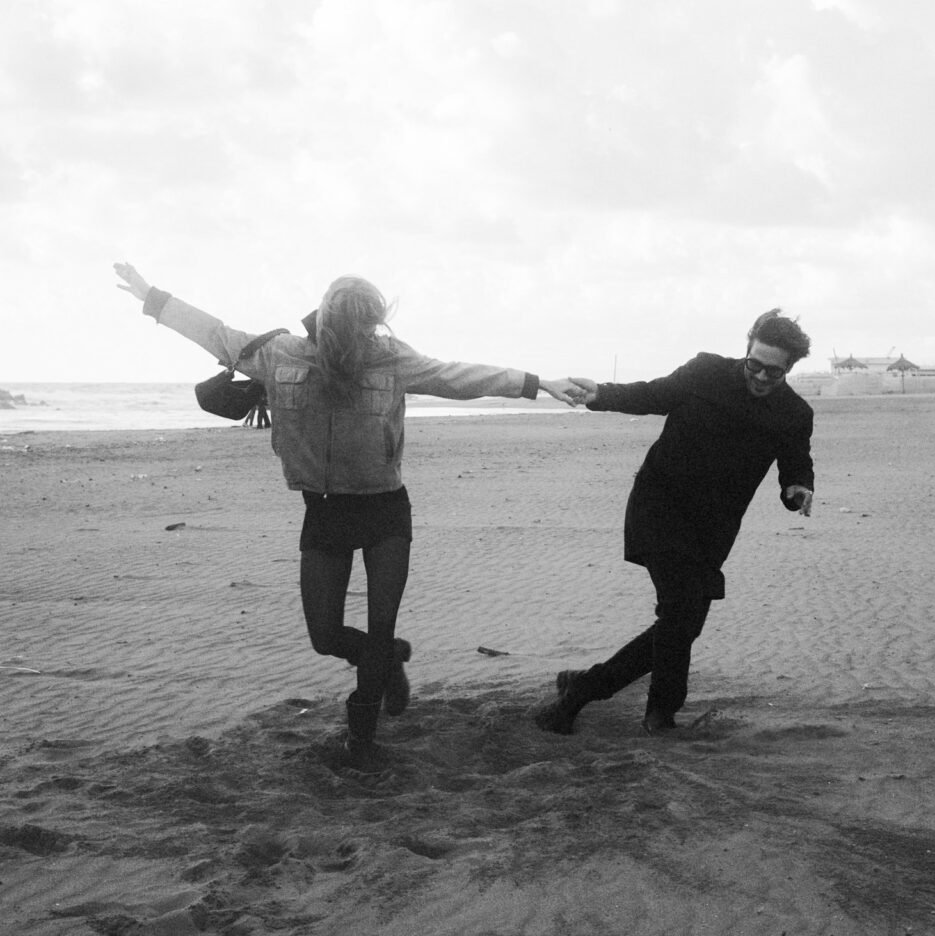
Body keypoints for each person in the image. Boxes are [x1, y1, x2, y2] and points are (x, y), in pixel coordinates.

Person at [114, 263, 584, 771]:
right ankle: (382, 662)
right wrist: (152, 297)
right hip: (324, 512)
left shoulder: (391, 359)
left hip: (385, 509)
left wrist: (539, 383)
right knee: (325, 636)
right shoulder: (279, 354)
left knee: (380, 628)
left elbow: (459, 376)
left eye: (370, 323)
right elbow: (214, 333)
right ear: (331, 317)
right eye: (356, 321)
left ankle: (361, 738)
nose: (363, 332)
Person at [534, 309, 814, 737]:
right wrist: (601, 394)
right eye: (753, 364)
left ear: (790, 368)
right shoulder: (706, 372)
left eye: (772, 372)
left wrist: (798, 488)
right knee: (680, 614)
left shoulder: (794, 413)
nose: (759, 376)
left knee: (682, 625)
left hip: (714, 529)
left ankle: (583, 686)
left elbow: (795, 463)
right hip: (660, 507)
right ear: (746, 351)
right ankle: (658, 716)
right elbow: (652, 395)